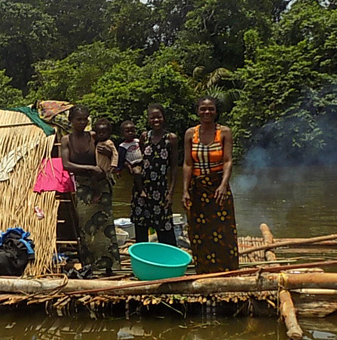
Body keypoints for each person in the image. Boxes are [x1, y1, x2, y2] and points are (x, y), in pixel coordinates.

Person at [60, 106, 121, 276]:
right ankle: (90, 265)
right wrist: (90, 168)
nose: (82, 122)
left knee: (106, 226)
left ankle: (110, 265)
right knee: (86, 227)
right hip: (82, 185)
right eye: (78, 119)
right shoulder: (66, 140)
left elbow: (109, 152)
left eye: (85, 119)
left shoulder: (93, 136)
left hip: (101, 183)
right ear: (71, 121)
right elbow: (66, 165)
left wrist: (108, 154)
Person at [182, 97, 238, 273]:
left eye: (211, 109)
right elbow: (188, 163)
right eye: (203, 109)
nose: (207, 112)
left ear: (216, 111)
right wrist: (185, 190)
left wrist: (223, 185)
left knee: (223, 230)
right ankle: (204, 269)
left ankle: (226, 269)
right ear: (198, 111)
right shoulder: (191, 133)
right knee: (199, 231)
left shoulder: (224, 132)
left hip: (218, 186)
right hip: (198, 188)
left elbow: (228, 161)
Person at [131, 105, 179, 246]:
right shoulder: (144, 137)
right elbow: (139, 161)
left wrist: (170, 193)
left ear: (164, 118)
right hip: (142, 190)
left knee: (165, 228)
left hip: (161, 190)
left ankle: (169, 261)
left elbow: (174, 168)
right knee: (141, 228)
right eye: (152, 117)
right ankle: (143, 261)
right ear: (148, 119)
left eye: (158, 117)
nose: (155, 120)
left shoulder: (171, 139)